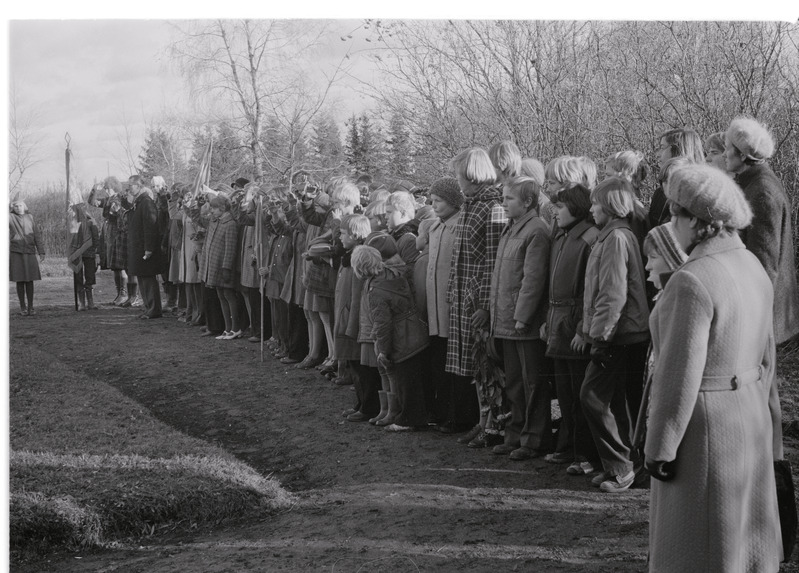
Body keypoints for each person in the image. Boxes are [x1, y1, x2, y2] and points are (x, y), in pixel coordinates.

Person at [645, 163, 782, 571]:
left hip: (704, 433)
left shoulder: (692, 279)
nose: (673, 224)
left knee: (696, 547)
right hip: (750, 420)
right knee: (741, 541)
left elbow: (678, 376)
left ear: (698, 221)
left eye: (676, 215)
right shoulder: (753, 266)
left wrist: (660, 448)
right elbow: (767, 357)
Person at [580, 177, 650, 492]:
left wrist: (600, 337)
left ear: (610, 206)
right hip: (620, 333)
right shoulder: (613, 235)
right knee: (614, 401)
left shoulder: (617, 238)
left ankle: (622, 467)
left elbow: (612, 295)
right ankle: (626, 466)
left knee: (592, 397)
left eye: (595, 203)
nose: (591, 209)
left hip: (618, 335)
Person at [446, 148, 506, 448]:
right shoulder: (469, 205)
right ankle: (481, 420)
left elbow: (491, 261)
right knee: (473, 364)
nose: (458, 183)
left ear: (473, 175)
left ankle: (494, 423)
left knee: (486, 365)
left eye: (460, 177)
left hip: (478, 301)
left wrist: (483, 304)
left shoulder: (493, 207)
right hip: (462, 296)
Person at [489, 177, 552, 460]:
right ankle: (515, 435)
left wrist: (522, 317)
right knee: (514, 382)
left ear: (527, 202)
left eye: (508, 199)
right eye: (503, 198)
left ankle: (534, 439)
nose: (503, 203)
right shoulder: (511, 229)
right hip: (506, 320)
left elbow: (533, 279)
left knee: (531, 383)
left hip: (521, 324)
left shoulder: (536, 231)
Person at [543, 184, 601, 475]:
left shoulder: (588, 239)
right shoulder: (562, 237)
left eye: (560, 207)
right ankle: (570, 450)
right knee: (565, 395)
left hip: (574, 328)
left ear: (576, 208)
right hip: (558, 325)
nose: (555, 211)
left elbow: (588, 291)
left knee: (579, 395)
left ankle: (586, 455)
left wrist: (581, 328)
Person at [725, 116, 799, 344]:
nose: (724, 153)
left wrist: (750, 321)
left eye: (728, 148)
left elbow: (763, 266)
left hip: (762, 318)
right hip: (761, 315)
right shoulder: (753, 183)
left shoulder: (762, 192)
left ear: (743, 155)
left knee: (761, 378)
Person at [420, 177, 477, 435]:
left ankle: (458, 415)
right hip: (434, 311)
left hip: (451, 309)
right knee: (438, 363)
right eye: (432, 200)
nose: (434, 205)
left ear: (454, 200)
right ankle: (442, 411)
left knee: (455, 366)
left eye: (439, 200)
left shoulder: (459, 227)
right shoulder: (435, 228)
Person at [353, 244, 430, 432]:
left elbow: (383, 324)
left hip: (402, 339)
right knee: (409, 380)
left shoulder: (376, 290)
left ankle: (407, 419)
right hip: (415, 332)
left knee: (405, 382)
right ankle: (397, 414)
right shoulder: (392, 275)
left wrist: (383, 351)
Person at [199, 194, 241, 338]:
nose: (212, 211)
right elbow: (200, 218)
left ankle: (235, 327)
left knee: (228, 295)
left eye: (215, 209)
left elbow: (230, 248)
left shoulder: (230, 224)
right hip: (213, 265)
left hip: (222, 266)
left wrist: (226, 268)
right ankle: (227, 328)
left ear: (223, 208)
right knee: (221, 295)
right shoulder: (215, 221)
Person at [647, 128, 704, 228]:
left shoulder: (699, 195)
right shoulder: (660, 193)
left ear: (677, 149)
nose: (658, 154)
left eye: (662, 147)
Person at [125, 175, 163, 319]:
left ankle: (154, 309)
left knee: (148, 280)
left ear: (139, 186)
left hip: (145, 249)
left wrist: (149, 248)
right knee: (142, 278)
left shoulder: (146, 202)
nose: (129, 188)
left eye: (131, 185)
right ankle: (148, 308)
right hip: (139, 248)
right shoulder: (139, 202)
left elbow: (150, 226)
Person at [9, 200, 45, 316]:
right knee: (20, 280)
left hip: (30, 252)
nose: (18, 208)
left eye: (20, 205)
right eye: (15, 206)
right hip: (16, 252)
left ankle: (31, 307)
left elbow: (36, 235)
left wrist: (41, 251)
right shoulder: (10, 217)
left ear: (24, 206)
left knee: (30, 280)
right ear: (12, 207)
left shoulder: (30, 217)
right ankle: (22, 307)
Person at [69, 204, 100, 311]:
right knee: (78, 278)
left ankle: (90, 302)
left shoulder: (91, 221)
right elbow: (70, 239)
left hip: (89, 253)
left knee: (90, 277)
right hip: (77, 255)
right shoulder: (72, 222)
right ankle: (81, 302)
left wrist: (95, 253)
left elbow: (96, 239)